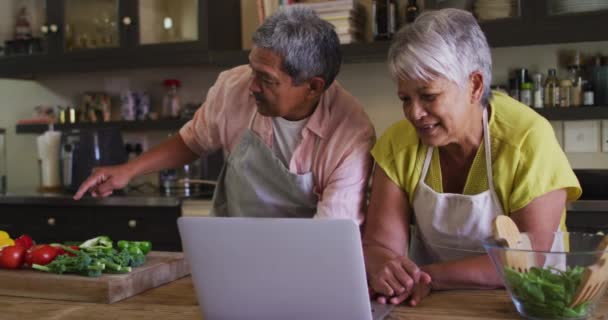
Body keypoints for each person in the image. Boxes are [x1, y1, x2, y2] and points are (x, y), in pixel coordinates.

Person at [74, 6, 375, 223]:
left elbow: (331, 233)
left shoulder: (351, 133)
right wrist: (129, 170)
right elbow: (193, 141)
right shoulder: (234, 85)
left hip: (309, 256)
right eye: (252, 69)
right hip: (235, 245)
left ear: (313, 86)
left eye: (266, 79)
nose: (252, 86)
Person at [362, 8, 581, 307]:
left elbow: (526, 258)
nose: (414, 113)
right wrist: (386, 270)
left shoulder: (527, 139)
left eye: (428, 96)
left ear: (475, 86)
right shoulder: (398, 144)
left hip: (532, 305)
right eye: (405, 99)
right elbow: (379, 245)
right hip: (431, 306)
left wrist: (426, 277)